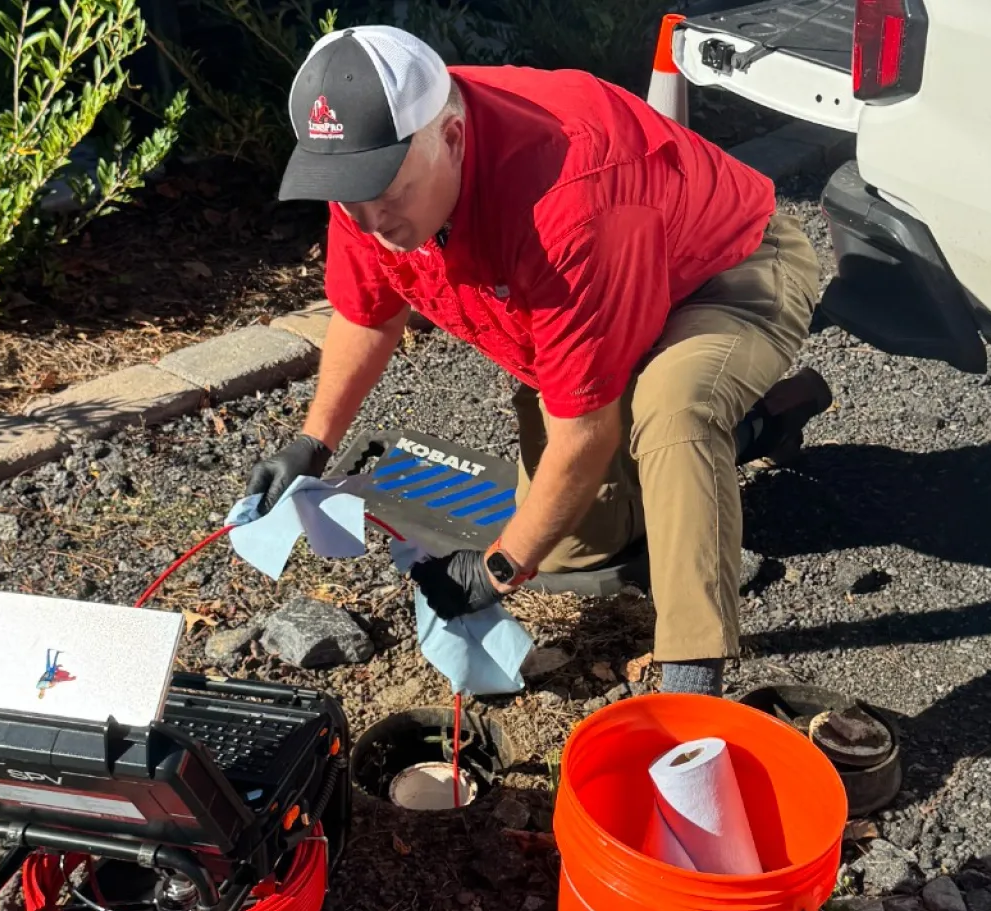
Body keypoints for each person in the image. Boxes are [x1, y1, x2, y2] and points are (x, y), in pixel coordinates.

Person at [247, 24, 828, 697]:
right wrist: (312, 442)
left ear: (453, 139)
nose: (372, 221)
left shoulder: (565, 200)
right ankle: (755, 429)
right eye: (353, 197)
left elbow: (582, 437)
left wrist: (494, 569)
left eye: (390, 194)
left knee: (675, 410)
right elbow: (366, 311)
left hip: (724, 270)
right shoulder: (374, 173)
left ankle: (692, 677)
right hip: (611, 291)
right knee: (580, 550)